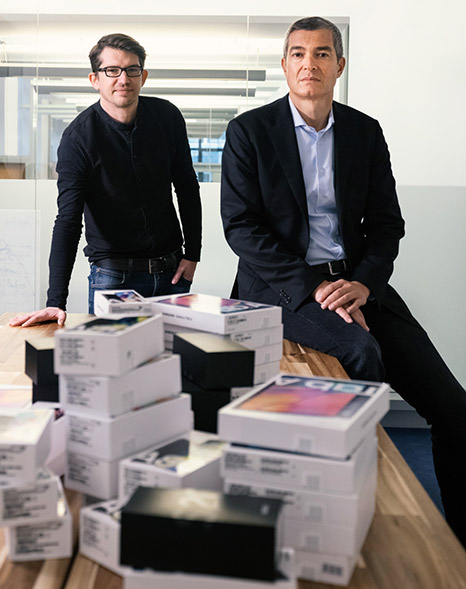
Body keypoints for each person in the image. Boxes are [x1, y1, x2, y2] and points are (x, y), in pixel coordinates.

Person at [221, 17, 466, 547]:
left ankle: (456, 539)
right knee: (360, 352)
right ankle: (355, 511)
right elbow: (241, 229)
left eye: (322, 54)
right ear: (285, 65)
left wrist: (364, 286)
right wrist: (314, 288)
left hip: (356, 281)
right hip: (282, 286)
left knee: (455, 410)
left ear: (340, 65)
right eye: (298, 54)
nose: (310, 63)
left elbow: (386, 225)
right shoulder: (249, 132)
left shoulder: (364, 131)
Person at [10, 33, 201, 327]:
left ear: (143, 76)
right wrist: (55, 301)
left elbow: (187, 187)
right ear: (95, 79)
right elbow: (68, 221)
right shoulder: (78, 139)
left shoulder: (167, 117)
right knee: (112, 369)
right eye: (112, 70)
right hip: (114, 278)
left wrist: (193, 254)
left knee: (176, 365)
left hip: (172, 274)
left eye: (131, 69)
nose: (123, 78)